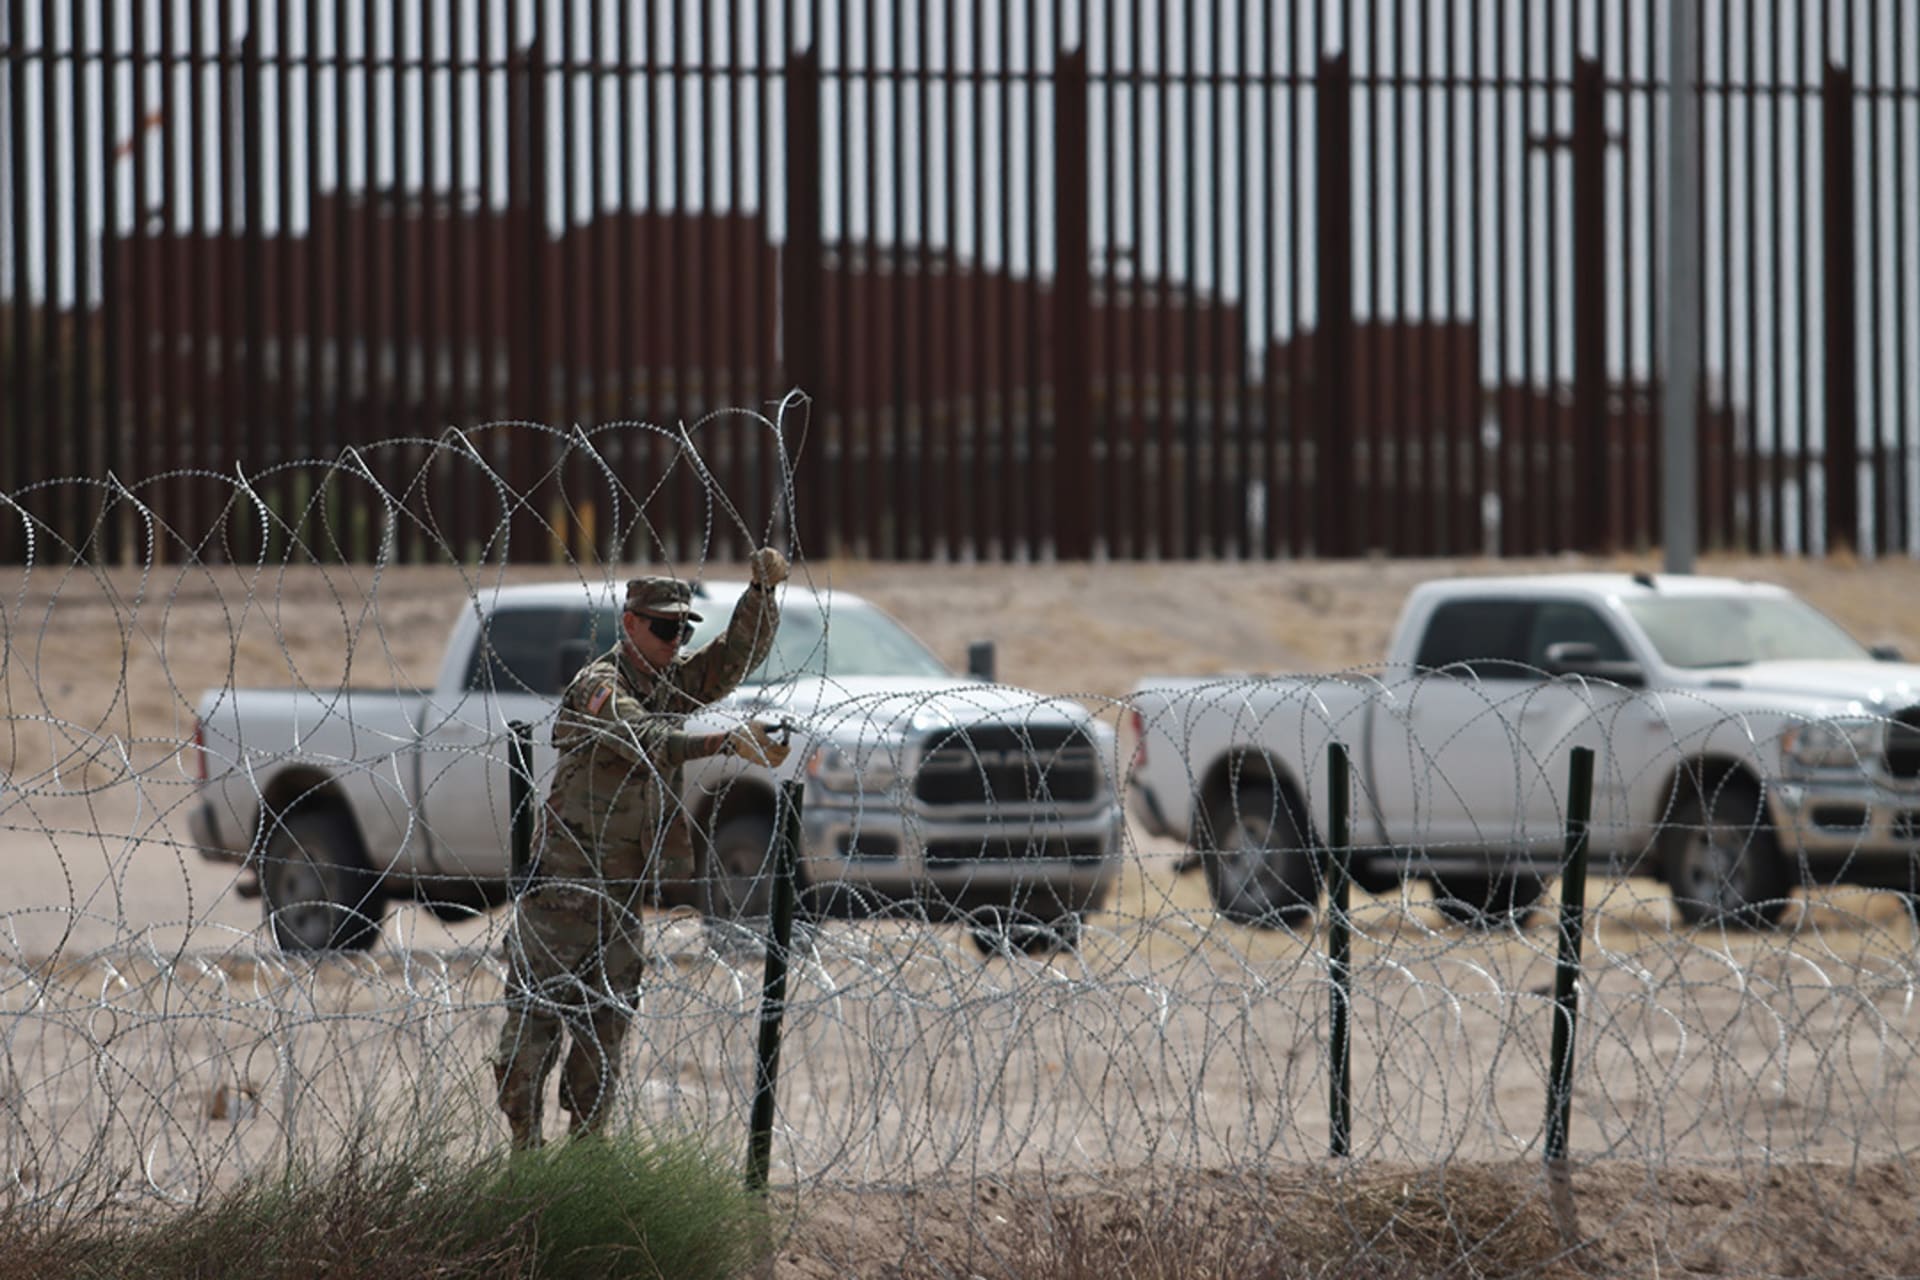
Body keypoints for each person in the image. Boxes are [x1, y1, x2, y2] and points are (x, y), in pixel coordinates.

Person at [492, 547, 793, 1148]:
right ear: (630, 624)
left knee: (606, 1035)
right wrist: (728, 741)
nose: (675, 639)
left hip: (621, 896)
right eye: (663, 628)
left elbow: (729, 663)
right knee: (534, 1028)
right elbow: (642, 737)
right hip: (563, 892)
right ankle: (523, 1154)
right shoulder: (598, 687)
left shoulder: (665, 683)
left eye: (682, 629)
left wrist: (760, 593)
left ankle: (587, 1160)